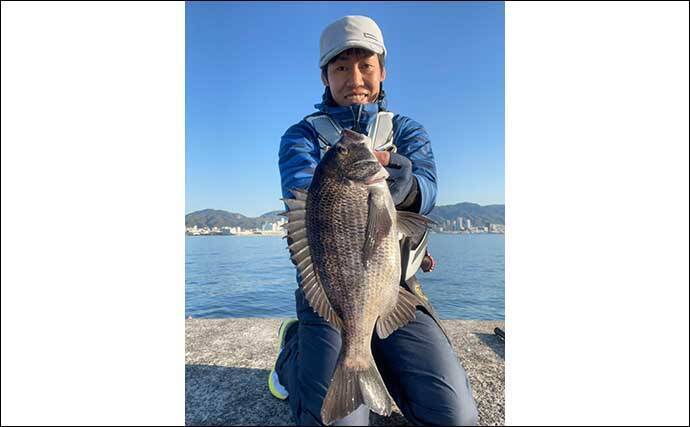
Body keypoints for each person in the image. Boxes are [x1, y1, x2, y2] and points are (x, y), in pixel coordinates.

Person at [270, 15, 479, 426]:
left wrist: (404, 187)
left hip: (395, 285)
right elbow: (304, 194)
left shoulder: (407, 129)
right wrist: (353, 182)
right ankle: (295, 347)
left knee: (455, 418)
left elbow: (428, 188)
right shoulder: (301, 136)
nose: (355, 78)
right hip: (331, 291)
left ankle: (379, 353)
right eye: (341, 67)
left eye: (365, 65)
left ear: (383, 70)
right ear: (325, 76)